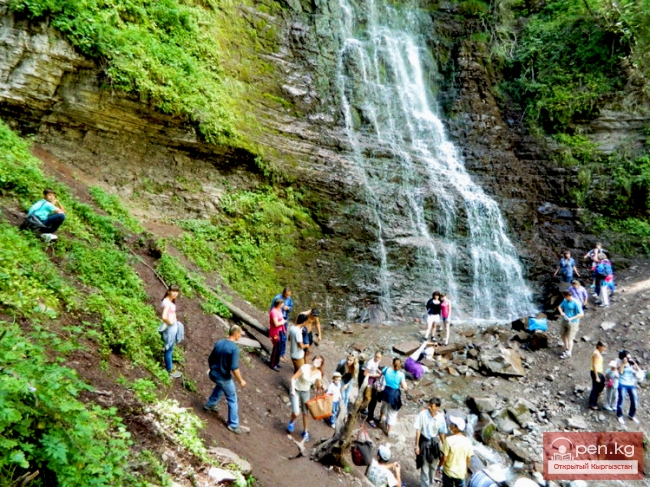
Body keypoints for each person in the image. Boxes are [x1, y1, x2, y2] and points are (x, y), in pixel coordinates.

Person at [203, 325, 247, 434]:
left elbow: (210, 358)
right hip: (223, 377)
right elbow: (234, 368)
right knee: (232, 398)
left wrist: (213, 368)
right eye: (240, 334)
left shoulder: (219, 342)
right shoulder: (234, 349)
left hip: (214, 374)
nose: (240, 336)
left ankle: (210, 404)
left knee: (221, 387)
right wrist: (241, 380)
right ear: (236, 334)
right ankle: (233, 424)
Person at [288, 355, 325, 442]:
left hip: (306, 392)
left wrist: (321, 386)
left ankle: (305, 432)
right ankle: (291, 422)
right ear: (313, 359)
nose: (317, 362)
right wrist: (293, 390)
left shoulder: (318, 373)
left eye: (319, 362)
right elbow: (293, 378)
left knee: (305, 413)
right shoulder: (305, 367)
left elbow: (318, 385)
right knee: (296, 412)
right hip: (296, 389)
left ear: (321, 364)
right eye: (316, 359)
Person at [414, 397, 447, 487]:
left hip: (435, 444)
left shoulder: (440, 418)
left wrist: (445, 446)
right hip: (424, 441)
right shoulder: (422, 414)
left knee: (433, 466)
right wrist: (416, 446)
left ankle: (430, 483)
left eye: (431, 406)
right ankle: (425, 485)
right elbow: (418, 430)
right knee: (424, 466)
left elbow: (441, 432)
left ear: (437, 407)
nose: (429, 407)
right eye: (429, 405)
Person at [439, 416, 473, 487]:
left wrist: (439, 466)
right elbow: (468, 459)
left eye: (452, 424)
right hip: (460, 474)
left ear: (456, 427)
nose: (450, 424)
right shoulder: (468, 442)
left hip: (448, 472)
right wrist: (465, 470)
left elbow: (444, 458)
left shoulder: (448, 440)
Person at [159, 285, 185, 378]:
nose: (175, 293)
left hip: (171, 327)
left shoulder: (168, 300)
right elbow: (164, 316)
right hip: (170, 328)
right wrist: (171, 323)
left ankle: (169, 367)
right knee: (169, 349)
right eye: (173, 291)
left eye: (176, 291)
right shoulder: (168, 303)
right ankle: (169, 370)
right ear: (169, 291)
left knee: (169, 348)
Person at [377, 357, 407, 437]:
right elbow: (404, 387)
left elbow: (380, 375)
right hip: (394, 395)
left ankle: (380, 419)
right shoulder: (401, 374)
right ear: (400, 365)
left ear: (392, 363)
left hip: (384, 392)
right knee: (392, 413)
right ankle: (389, 431)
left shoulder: (386, 369)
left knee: (384, 405)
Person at [617, 351, 642, 425]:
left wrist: (634, 363)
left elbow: (638, 370)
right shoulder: (619, 362)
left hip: (631, 384)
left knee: (634, 399)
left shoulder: (631, 363)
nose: (629, 358)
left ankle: (632, 414)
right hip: (622, 383)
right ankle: (619, 415)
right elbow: (620, 372)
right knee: (621, 400)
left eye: (629, 357)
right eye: (627, 357)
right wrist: (623, 363)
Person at [557, 291, 583, 359]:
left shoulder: (576, 303)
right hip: (564, 320)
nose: (564, 297)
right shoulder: (565, 300)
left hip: (573, 322)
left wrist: (571, 318)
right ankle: (567, 348)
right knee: (563, 335)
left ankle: (569, 352)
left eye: (564, 296)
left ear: (568, 296)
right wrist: (561, 312)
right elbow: (559, 306)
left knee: (570, 338)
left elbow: (581, 314)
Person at [270, 288, 293, 363]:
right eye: (286, 295)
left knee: (284, 338)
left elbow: (291, 306)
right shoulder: (277, 299)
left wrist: (288, 308)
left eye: (289, 295)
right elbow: (272, 311)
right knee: (278, 340)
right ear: (283, 293)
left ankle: (282, 354)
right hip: (278, 323)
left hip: (284, 321)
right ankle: (276, 358)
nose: (287, 297)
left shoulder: (288, 298)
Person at [365, 351, 384, 428]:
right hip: (370, 382)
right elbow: (365, 373)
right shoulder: (370, 363)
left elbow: (375, 368)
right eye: (376, 357)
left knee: (374, 400)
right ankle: (370, 418)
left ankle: (369, 414)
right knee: (372, 400)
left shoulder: (378, 361)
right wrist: (375, 375)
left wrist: (380, 372)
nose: (377, 358)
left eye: (379, 357)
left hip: (374, 381)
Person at [588, 341, 607, 410]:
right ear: (599, 346)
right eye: (603, 347)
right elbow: (594, 365)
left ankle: (595, 399)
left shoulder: (598, 353)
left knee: (601, 385)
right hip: (596, 372)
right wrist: (596, 376)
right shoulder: (596, 353)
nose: (604, 348)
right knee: (595, 388)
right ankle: (592, 403)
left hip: (599, 372)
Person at [268, 298, 286, 371]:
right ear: (279, 304)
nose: (283, 305)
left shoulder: (279, 310)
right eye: (282, 304)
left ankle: (277, 362)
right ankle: (272, 364)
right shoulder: (273, 312)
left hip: (280, 330)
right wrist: (283, 322)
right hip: (275, 332)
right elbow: (276, 324)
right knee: (276, 348)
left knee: (280, 347)